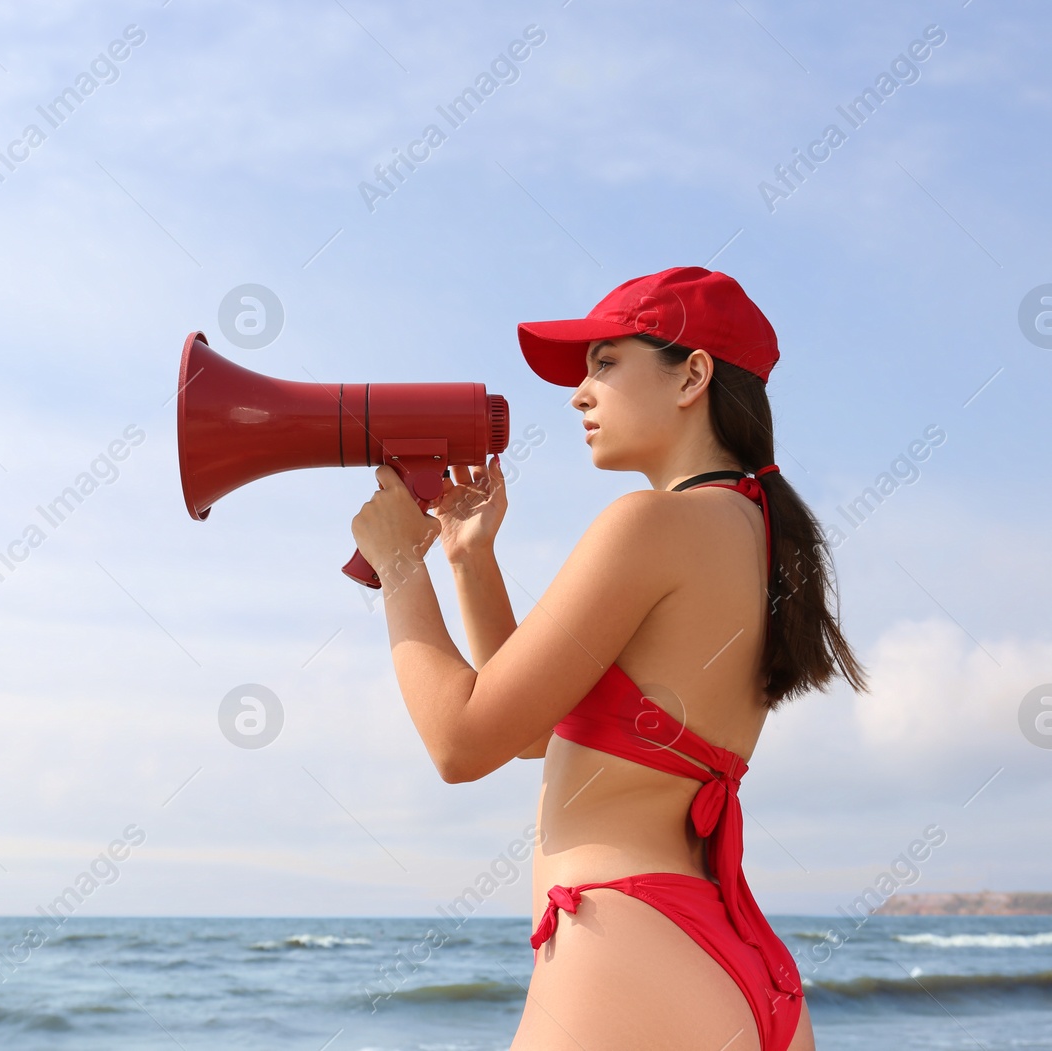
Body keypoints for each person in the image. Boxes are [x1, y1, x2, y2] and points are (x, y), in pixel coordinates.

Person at [350, 266, 869, 1050]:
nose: (578, 394)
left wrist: (398, 565)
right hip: (725, 964)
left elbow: (460, 741)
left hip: (622, 949)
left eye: (605, 363)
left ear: (692, 374)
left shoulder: (649, 523)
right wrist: (469, 559)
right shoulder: (756, 532)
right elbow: (530, 731)